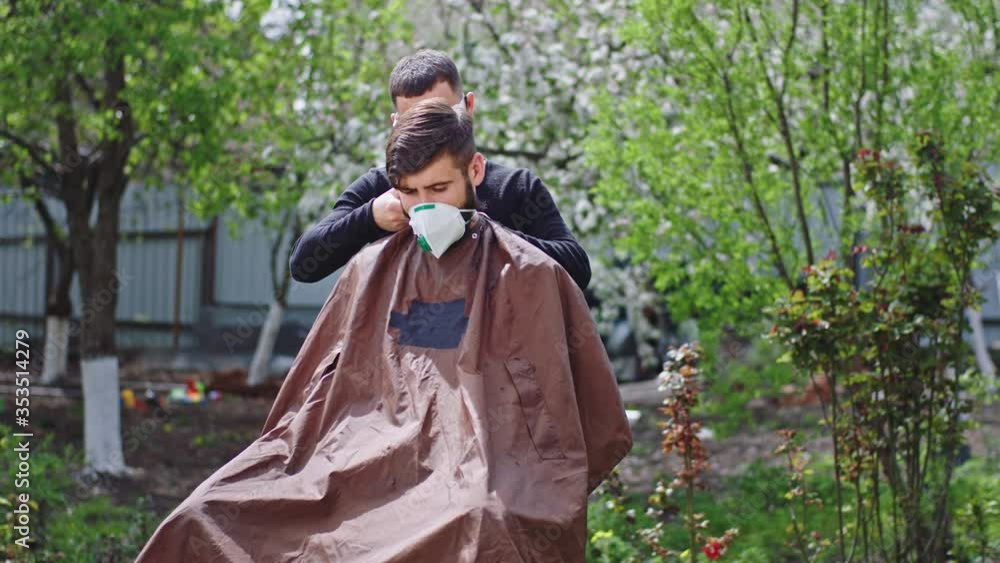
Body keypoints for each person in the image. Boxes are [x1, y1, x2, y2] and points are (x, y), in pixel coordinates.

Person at [133, 98, 631, 563]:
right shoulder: (372, 268)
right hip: (356, 456)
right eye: (410, 193)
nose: (424, 206)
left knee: (480, 520)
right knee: (204, 512)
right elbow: (316, 377)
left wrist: (490, 239)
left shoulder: (526, 263)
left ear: (473, 170)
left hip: (476, 465)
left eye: (439, 190)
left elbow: (566, 407)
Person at [289, 49, 592, 291]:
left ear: (468, 107)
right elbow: (304, 265)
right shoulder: (380, 187)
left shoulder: (515, 187)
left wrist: (491, 235)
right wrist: (368, 218)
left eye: (443, 113)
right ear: (396, 123)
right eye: (416, 119)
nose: (432, 130)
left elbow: (577, 271)